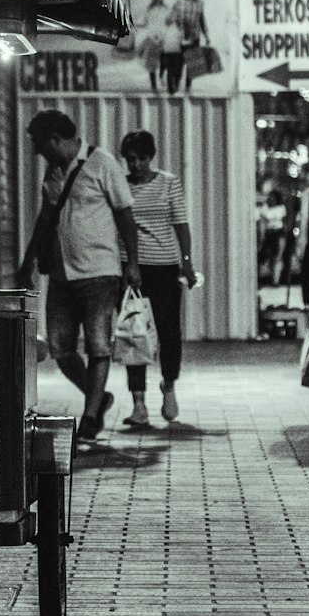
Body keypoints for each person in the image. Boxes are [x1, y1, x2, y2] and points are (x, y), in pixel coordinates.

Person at [19, 110, 141, 443]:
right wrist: (27, 260)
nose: (39, 154)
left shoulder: (103, 164)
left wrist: (133, 263)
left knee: (99, 346)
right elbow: (46, 217)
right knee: (61, 349)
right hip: (60, 274)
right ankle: (97, 397)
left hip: (100, 272)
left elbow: (125, 216)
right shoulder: (53, 170)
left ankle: (90, 417)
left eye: (42, 146)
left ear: (57, 140)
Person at [119, 130, 196, 427]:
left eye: (140, 158)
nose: (135, 165)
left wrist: (187, 263)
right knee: (134, 333)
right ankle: (138, 402)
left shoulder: (168, 182)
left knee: (168, 331)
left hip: (165, 266)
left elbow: (181, 224)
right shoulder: (122, 186)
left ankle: (169, 387)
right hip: (132, 268)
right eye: (130, 159)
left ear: (151, 157)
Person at [167, 0, 209, 93]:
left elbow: (202, 20)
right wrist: (174, 19)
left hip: (194, 37)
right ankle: (175, 84)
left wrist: (206, 35)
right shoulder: (179, 2)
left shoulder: (200, 3)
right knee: (178, 63)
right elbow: (170, 18)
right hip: (180, 37)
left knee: (192, 64)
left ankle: (188, 86)